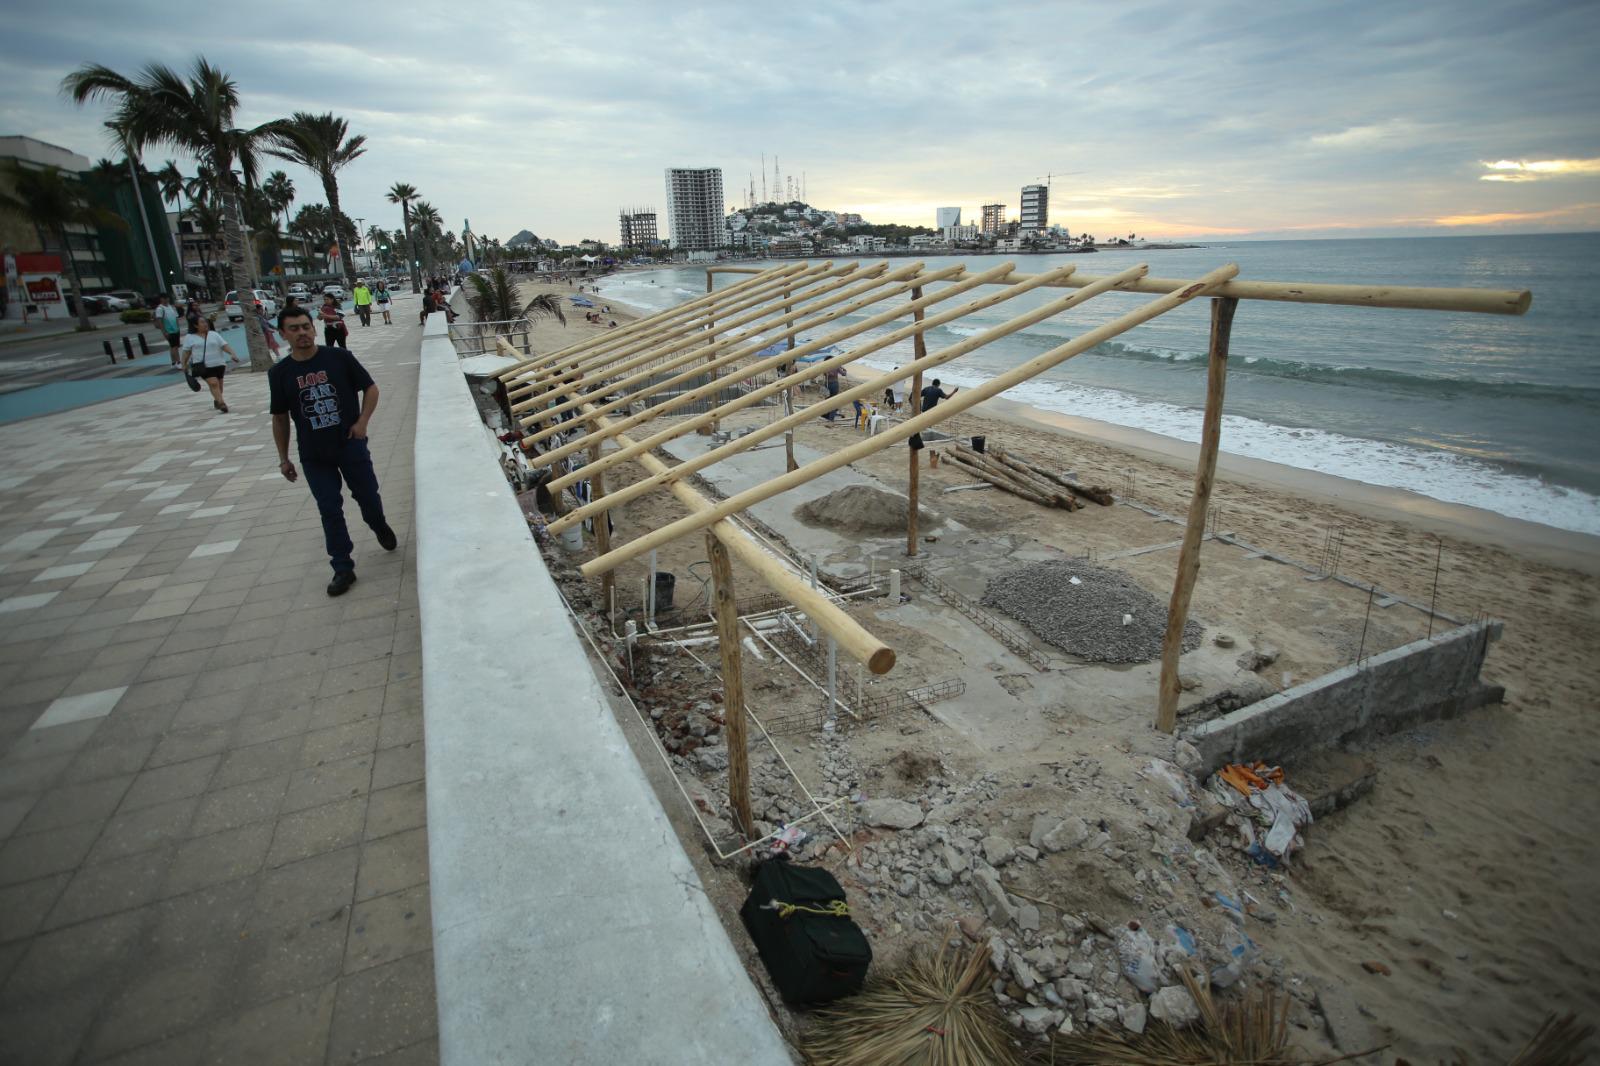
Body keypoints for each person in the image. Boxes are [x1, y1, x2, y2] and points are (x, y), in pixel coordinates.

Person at [269, 304, 397, 597]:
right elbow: (279, 418)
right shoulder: (280, 373)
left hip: (350, 444)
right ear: (283, 334)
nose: (302, 332)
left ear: (313, 328)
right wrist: (283, 458)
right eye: (294, 328)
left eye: (305, 326)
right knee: (329, 509)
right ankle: (342, 567)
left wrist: (362, 422)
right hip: (314, 455)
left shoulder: (339, 358)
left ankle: (378, 524)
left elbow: (371, 388)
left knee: (368, 497)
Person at [180, 314, 242, 412]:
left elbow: (224, 345)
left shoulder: (214, 334)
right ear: (195, 325)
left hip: (219, 364)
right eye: (202, 322)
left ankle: (217, 400)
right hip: (203, 366)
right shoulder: (190, 337)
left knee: (219, 386)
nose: (205, 324)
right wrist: (184, 364)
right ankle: (222, 404)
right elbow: (186, 352)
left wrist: (232, 354)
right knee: (213, 383)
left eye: (205, 322)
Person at [154, 294, 182, 368]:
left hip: (175, 329)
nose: (166, 300)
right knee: (174, 346)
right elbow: (159, 320)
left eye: (167, 298)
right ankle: (178, 362)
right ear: (161, 299)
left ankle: (173, 362)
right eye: (164, 298)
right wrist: (164, 331)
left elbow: (176, 317)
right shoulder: (160, 309)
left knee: (173, 346)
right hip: (168, 330)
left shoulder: (171, 307)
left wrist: (178, 327)